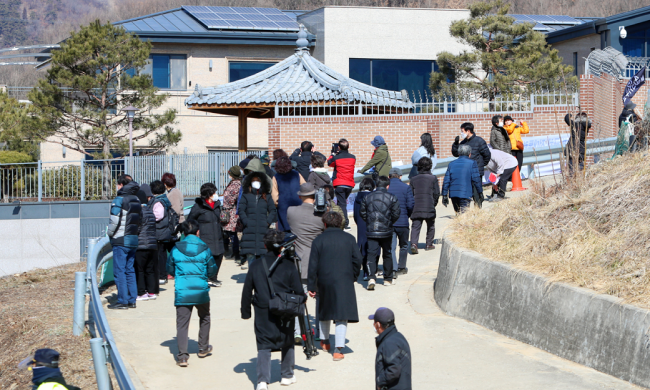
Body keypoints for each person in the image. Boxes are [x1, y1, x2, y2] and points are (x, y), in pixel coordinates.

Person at [241, 230, 303, 390]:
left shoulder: (255, 265)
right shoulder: (289, 265)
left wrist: (245, 311)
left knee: (263, 344)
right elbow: (299, 290)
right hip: (285, 309)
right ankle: (287, 375)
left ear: (264, 245)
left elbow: (247, 289)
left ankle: (262, 381)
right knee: (287, 340)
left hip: (263, 310)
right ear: (282, 246)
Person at [308, 211, 361, 361]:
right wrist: (353, 276)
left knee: (324, 311)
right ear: (340, 223)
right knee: (341, 315)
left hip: (323, 280)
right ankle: (338, 349)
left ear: (324, 224)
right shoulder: (349, 239)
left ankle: (325, 342)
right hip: (344, 279)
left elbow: (312, 266)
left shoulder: (318, 240)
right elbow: (357, 260)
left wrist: (312, 285)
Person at [167, 220, 217, 367]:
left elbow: (169, 269)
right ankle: (203, 347)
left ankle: (182, 356)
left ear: (183, 233)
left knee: (182, 324)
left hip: (182, 291)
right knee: (205, 317)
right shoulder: (205, 248)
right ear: (197, 232)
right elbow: (212, 269)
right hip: (201, 289)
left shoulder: (175, 249)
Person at [287, 182, 326, 343]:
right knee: (320, 299)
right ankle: (319, 331)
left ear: (300, 196)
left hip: (299, 260)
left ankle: (297, 331)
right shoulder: (322, 213)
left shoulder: (291, 211)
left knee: (298, 298)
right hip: (318, 261)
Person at [107, 174, 141, 310]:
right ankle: (132, 299)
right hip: (133, 239)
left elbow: (114, 220)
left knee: (119, 271)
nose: (117, 186)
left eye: (118, 184)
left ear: (122, 185)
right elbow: (141, 221)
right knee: (130, 270)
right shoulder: (137, 200)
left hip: (120, 240)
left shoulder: (119, 200)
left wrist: (110, 234)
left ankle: (122, 301)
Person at [360, 176, 400, 290]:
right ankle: (387, 279)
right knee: (387, 254)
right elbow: (396, 213)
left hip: (372, 230)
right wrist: (389, 222)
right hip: (386, 231)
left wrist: (370, 222)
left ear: (376, 185)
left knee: (371, 255)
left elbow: (363, 212)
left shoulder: (367, 197)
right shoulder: (392, 197)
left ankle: (371, 277)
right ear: (388, 186)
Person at [188, 183, 225, 287]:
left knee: (219, 255)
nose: (215, 194)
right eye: (213, 192)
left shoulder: (217, 204)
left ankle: (213, 278)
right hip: (205, 237)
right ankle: (205, 278)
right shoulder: (198, 206)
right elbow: (190, 220)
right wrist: (195, 232)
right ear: (208, 194)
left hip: (217, 235)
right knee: (206, 258)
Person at [240, 171, 277, 270]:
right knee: (251, 258)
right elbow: (241, 210)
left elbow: (273, 210)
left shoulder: (267, 196)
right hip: (249, 231)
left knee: (263, 259)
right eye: (253, 181)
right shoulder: (246, 195)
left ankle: (262, 279)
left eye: (258, 181)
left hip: (263, 230)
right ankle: (252, 279)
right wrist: (246, 221)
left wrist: (267, 222)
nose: (256, 183)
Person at [369, 307, 412, 390]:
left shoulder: (389, 343)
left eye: (374, 322)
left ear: (378, 324)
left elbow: (394, 369)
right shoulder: (397, 337)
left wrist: (379, 381)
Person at [409, 157, 440, 254]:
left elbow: (410, 194)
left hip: (416, 206)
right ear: (430, 166)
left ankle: (414, 244)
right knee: (431, 225)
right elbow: (436, 193)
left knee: (415, 226)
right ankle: (429, 243)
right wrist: (433, 203)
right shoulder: (433, 178)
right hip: (429, 204)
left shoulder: (413, 179)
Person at [387, 168, 414, 277]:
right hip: (403, 222)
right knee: (403, 245)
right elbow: (410, 205)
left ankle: (393, 269)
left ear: (389, 177)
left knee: (391, 247)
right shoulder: (406, 188)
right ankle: (401, 267)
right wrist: (408, 215)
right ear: (400, 176)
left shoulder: (387, 188)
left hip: (390, 222)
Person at [442, 144, 483, 214]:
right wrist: (480, 192)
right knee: (464, 216)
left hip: (453, 194)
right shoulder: (472, 163)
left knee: (458, 215)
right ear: (470, 154)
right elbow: (476, 179)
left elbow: (446, 180)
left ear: (458, 153)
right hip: (465, 193)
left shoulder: (451, 164)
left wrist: (444, 195)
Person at [135, 183, 158, 301]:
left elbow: (137, 228)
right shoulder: (150, 211)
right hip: (152, 244)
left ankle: (141, 292)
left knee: (139, 269)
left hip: (141, 245)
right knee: (149, 269)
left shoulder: (139, 212)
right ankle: (151, 292)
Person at [151, 180, 176, 287]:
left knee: (160, 255)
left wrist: (148, 216)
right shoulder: (165, 199)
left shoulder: (158, 201)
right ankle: (163, 274)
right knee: (162, 254)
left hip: (159, 231)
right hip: (165, 231)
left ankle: (162, 275)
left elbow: (159, 215)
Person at [328, 138, 356, 229]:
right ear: (349, 147)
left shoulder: (336, 158)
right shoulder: (353, 157)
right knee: (343, 203)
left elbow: (329, 163)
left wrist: (332, 154)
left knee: (342, 204)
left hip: (339, 183)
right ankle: (344, 221)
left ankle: (345, 223)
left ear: (339, 147)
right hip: (349, 184)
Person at [272, 156, 304, 232]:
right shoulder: (296, 174)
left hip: (283, 204)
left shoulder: (276, 177)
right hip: (297, 202)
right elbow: (304, 186)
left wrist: (277, 204)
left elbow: (274, 195)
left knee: (284, 228)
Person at [354, 177, 375, 280]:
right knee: (372, 247)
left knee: (362, 247)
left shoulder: (357, 197)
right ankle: (371, 271)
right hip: (371, 224)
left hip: (361, 224)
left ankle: (365, 272)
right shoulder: (372, 196)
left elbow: (354, 214)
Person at [222, 166, 243, 261]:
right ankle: (233, 252)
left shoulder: (235, 185)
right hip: (231, 211)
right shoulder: (236, 183)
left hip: (231, 212)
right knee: (230, 233)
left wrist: (225, 207)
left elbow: (230, 199)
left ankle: (236, 253)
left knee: (232, 233)